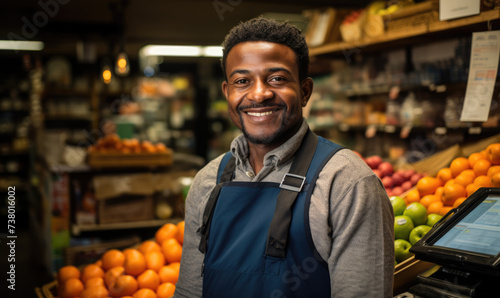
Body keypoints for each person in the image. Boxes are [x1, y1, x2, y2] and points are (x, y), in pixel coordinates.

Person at [174, 17, 394, 298]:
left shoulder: (347, 183)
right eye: (242, 81)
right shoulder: (208, 181)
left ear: (305, 91)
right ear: (227, 93)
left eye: (277, 78)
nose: (259, 94)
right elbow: (191, 292)